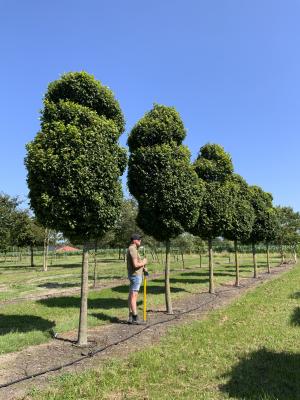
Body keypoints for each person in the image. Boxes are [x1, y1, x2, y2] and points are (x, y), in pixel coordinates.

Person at [127, 233, 148, 324]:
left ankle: (131, 317)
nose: (140, 241)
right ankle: (135, 318)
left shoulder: (134, 249)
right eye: (138, 239)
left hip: (135, 275)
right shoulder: (132, 249)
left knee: (131, 295)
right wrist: (143, 262)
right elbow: (136, 265)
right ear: (134, 240)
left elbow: (136, 263)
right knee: (133, 296)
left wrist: (143, 268)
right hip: (135, 276)